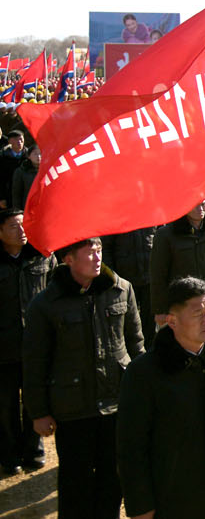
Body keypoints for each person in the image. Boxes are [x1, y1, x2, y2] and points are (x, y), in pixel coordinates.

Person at [116, 277, 205, 519]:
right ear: (172, 321)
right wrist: (141, 504)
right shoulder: (144, 372)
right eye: (198, 314)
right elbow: (131, 445)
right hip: (174, 493)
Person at [23, 235, 145, 519]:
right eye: (89, 252)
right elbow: (35, 363)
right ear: (68, 259)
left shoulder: (121, 290)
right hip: (73, 407)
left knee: (112, 479)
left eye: (99, 250)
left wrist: (143, 396)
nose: (97, 257)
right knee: (75, 482)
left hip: (116, 401)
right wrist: (38, 412)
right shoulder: (45, 304)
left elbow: (136, 346)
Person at [0, 209, 52, 475]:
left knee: (34, 399)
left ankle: (33, 448)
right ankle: (8, 454)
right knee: (5, 404)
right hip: (4, 348)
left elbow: (54, 293)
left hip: (35, 344)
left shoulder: (41, 257)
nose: (21, 231)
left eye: (23, 225)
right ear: (0, 233)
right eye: (13, 226)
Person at [149, 199, 205, 331]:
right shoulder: (166, 235)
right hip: (182, 304)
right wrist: (160, 309)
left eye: (203, 204)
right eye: (195, 205)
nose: (200, 208)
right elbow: (158, 274)